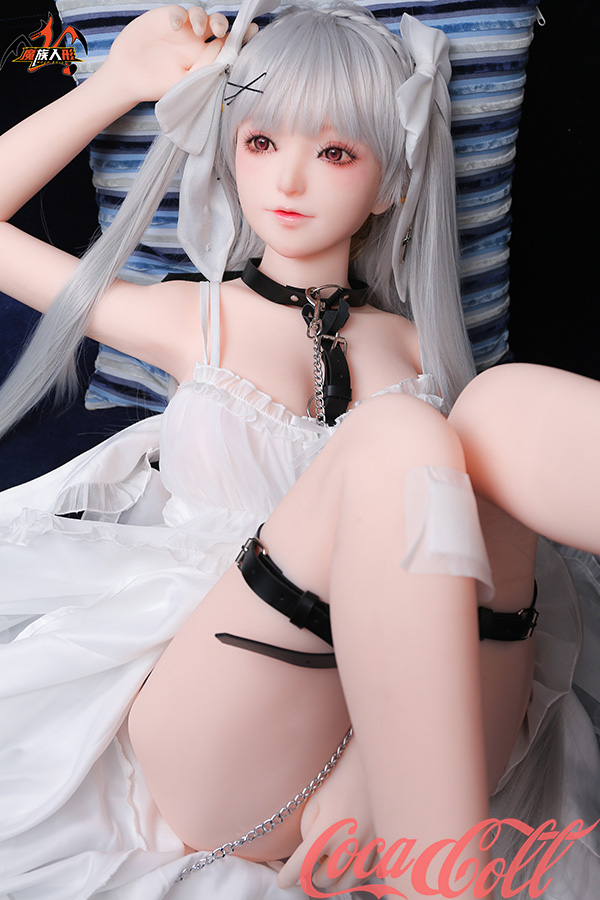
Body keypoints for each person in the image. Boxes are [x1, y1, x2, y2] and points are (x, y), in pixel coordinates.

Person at [0, 2, 598, 898]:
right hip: (234, 724)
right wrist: (117, 84)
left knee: (501, 404)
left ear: (389, 185)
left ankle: (403, 835)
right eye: (260, 142)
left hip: (412, 751)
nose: (288, 179)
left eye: (335, 153)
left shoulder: (421, 353)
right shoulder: (191, 317)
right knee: (401, 434)